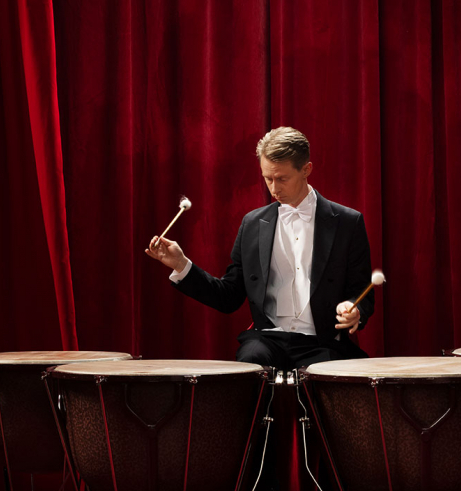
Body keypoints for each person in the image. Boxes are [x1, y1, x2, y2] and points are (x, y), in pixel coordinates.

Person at [145, 126, 375, 370]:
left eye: (282, 179)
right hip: (268, 340)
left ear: (306, 169)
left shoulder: (347, 223)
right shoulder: (253, 224)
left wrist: (355, 310)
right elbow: (229, 297)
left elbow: (362, 291)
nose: (274, 189)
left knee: (329, 373)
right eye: (268, 178)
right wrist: (181, 265)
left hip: (323, 342)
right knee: (250, 363)